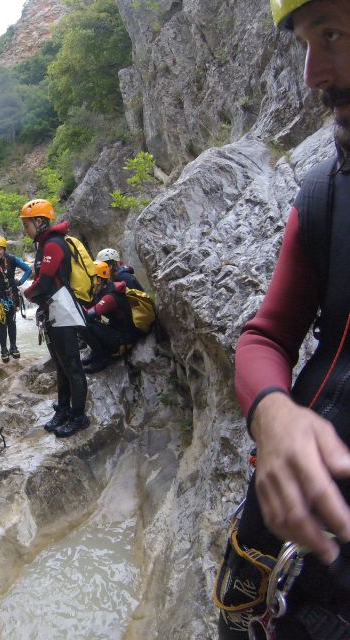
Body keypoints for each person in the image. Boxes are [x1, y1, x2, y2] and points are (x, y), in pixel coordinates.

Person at [217, 1, 350, 637]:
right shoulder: (325, 194)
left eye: (333, 34)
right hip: (285, 502)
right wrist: (272, 413)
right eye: (304, 42)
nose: (313, 72)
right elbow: (267, 334)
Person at [20, 198, 90, 438]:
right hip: (53, 311)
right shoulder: (44, 245)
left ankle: (79, 417)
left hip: (64, 312)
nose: (25, 229)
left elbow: (46, 282)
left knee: (72, 365)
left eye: (26, 224)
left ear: (39, 221)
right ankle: (63, 410)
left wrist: (26, 292)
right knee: (61, 365)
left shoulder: (53, 245)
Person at [81, 261, 146, 373]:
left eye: (91, 279)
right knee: (88, 322)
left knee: (85, 324)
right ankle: (96, 352)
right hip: (118, 330)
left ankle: (103, 358)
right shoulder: (103, 289)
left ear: (99, 280)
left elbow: (90, 314)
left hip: (125, 337)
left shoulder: (109, 297)